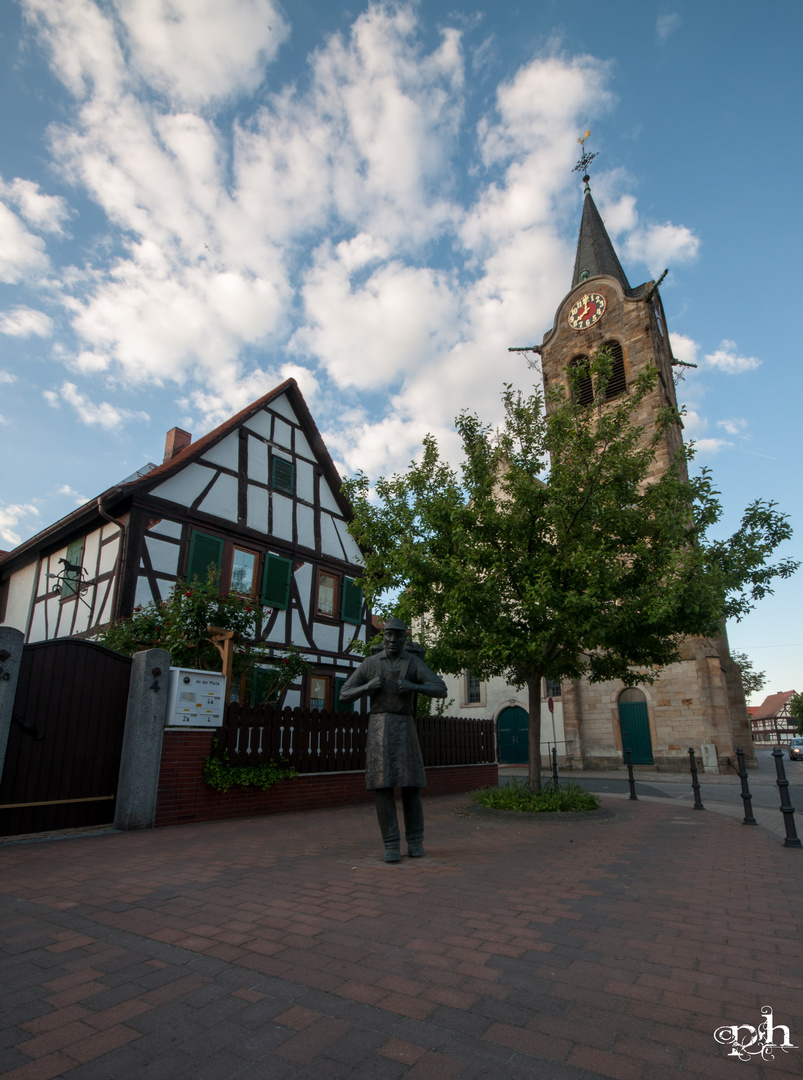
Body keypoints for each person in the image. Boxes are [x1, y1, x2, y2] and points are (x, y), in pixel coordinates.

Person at [339, 618, 446, 862]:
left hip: (405, 725)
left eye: (398, 636)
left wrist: (412, 686)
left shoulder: (412, 662)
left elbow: (440, 688)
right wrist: (368, 685)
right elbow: (344, 693)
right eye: (389, 635)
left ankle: (415, 842)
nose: (393, 640)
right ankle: (390, 845)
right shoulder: (370, 664)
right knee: (383, 787)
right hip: (379, 727)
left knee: (411, 786)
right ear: (384, 637)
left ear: (404, 639)